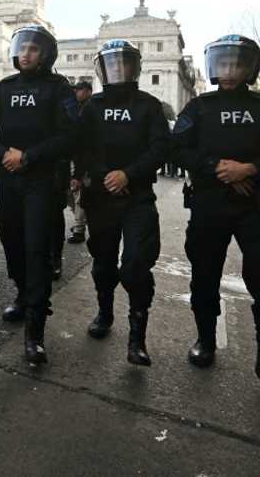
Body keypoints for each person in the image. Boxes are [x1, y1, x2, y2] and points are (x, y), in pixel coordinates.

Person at [172, 34, 260, 404]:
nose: (228, 70)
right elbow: (177, 148)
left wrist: (252, 170)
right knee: (204, 275)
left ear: (249, 68)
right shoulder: (199, 107)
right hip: (210, 204)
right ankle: (205, 339)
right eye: (222, 62)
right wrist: (218, 170)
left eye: (236, 63)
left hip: (254, 207)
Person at [0, 25, 79, 365]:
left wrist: (29, 156)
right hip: (8, 176)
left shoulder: (58, 88)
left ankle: (35, 328)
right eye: (22, 47)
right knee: (12, 238)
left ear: (46, 54)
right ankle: (22, 292)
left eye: (34, 49)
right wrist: (3, 152)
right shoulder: (4, 88)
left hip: (41, 178)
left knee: (36, 246)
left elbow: (69, 134)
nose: (26, 54)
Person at [75, 40, 169, 365]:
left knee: (136, 264)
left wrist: (128, 175)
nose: (118, 70)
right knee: (103, 261)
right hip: (101, 197)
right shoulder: (92, 106)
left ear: (135, 68)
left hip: (137, 196)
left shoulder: (149, 106)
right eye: (112, 64)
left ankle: (137, 338)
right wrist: (104, 176)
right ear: (102, 69)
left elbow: (159, 148)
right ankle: (105, 312)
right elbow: (82, 148)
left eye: (124, 64)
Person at [66, 80, 93, 245]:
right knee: (74, 193)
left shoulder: (89, 108)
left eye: (79, 90)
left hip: (84, 157)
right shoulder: (79, 107)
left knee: (79, 193)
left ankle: (79, 229)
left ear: (88, 90)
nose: (76, 93)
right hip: (76, 155)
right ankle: (81, 222)